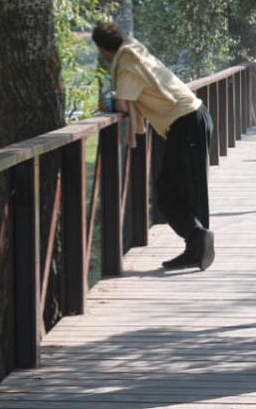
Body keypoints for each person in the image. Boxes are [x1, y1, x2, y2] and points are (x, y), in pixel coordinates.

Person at [92, 22, 215, 271]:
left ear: (103, 48)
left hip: (186, 121)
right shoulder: (135, 52)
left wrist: (108, 104)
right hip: (191, 117)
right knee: (184, 190)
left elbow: (123, 105)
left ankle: (197, 239)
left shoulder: (127, 65)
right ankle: (196, 247)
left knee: (168, 193)